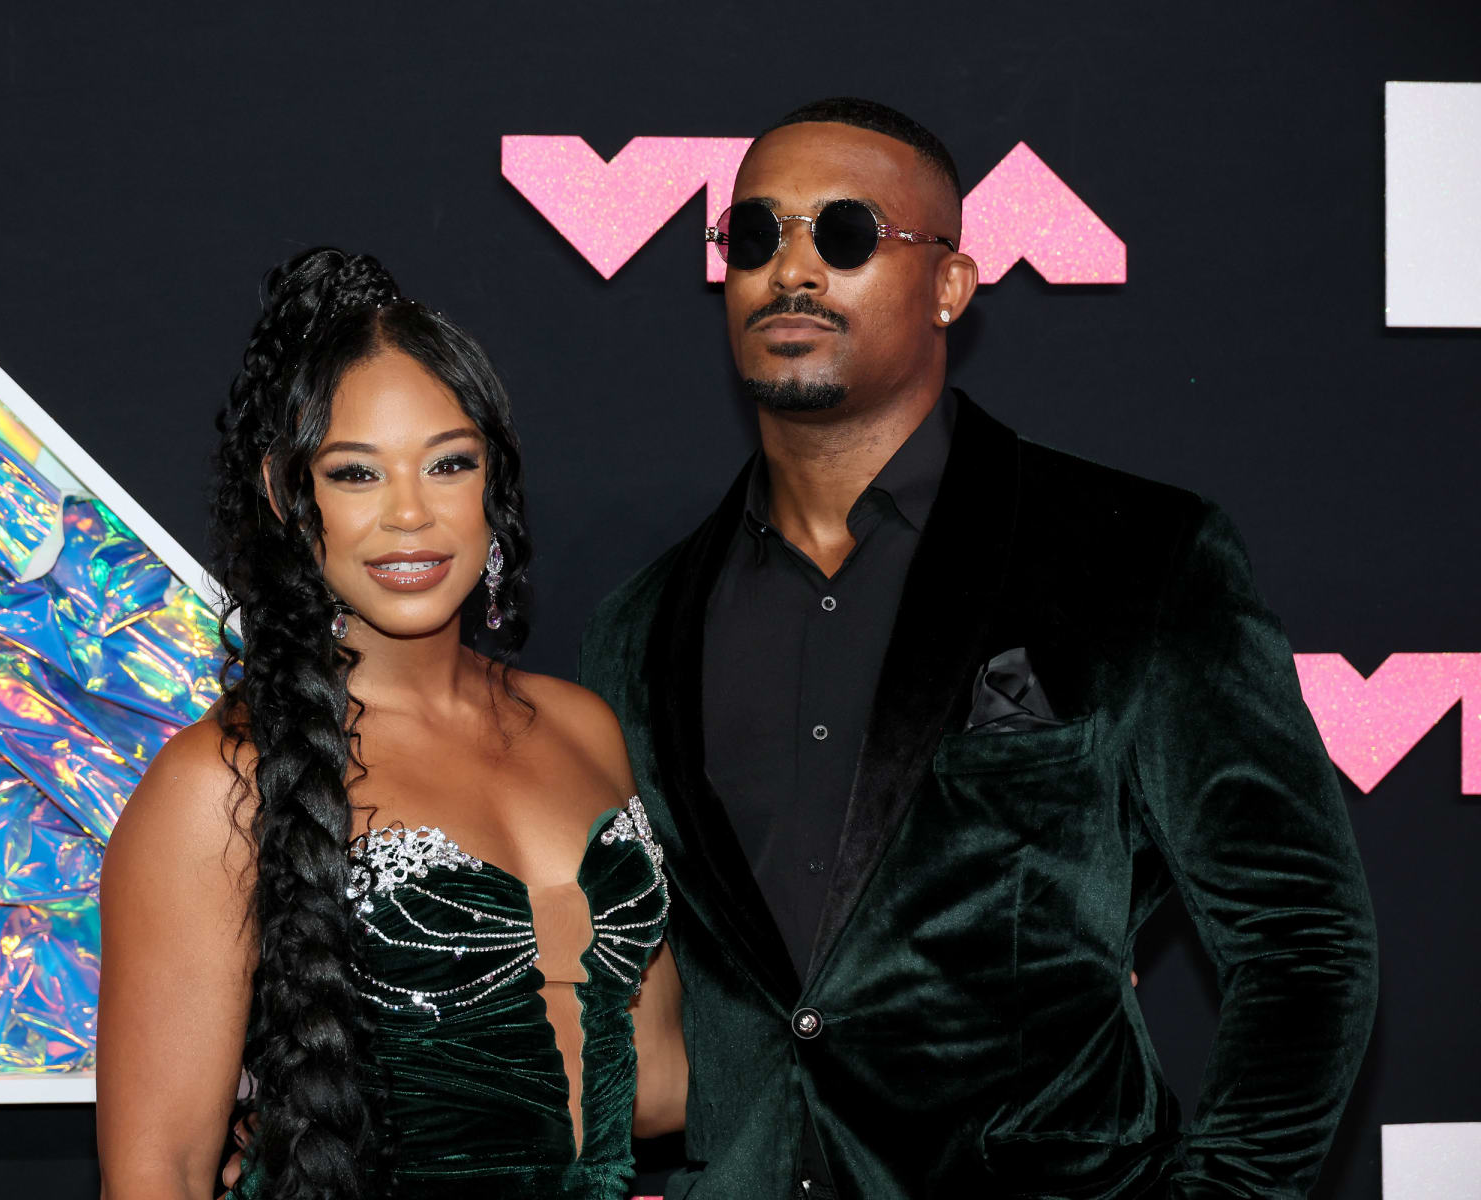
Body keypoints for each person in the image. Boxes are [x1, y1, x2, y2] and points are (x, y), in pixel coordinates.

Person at [579, 97, 1379, 1198]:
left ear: (950, 285)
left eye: (847, 234)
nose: (791, 271)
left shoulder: (1136, 557)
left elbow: (1304, 944)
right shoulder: (640, 628)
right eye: (754, 236)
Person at [95, 248, 687, 1200]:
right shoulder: (219, 784)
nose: (410, 514)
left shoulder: (582, 728)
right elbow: (156, 1172)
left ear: (493, 481)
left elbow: (654, 1086)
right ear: (289, 496)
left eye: (448, 463)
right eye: (356, 474)